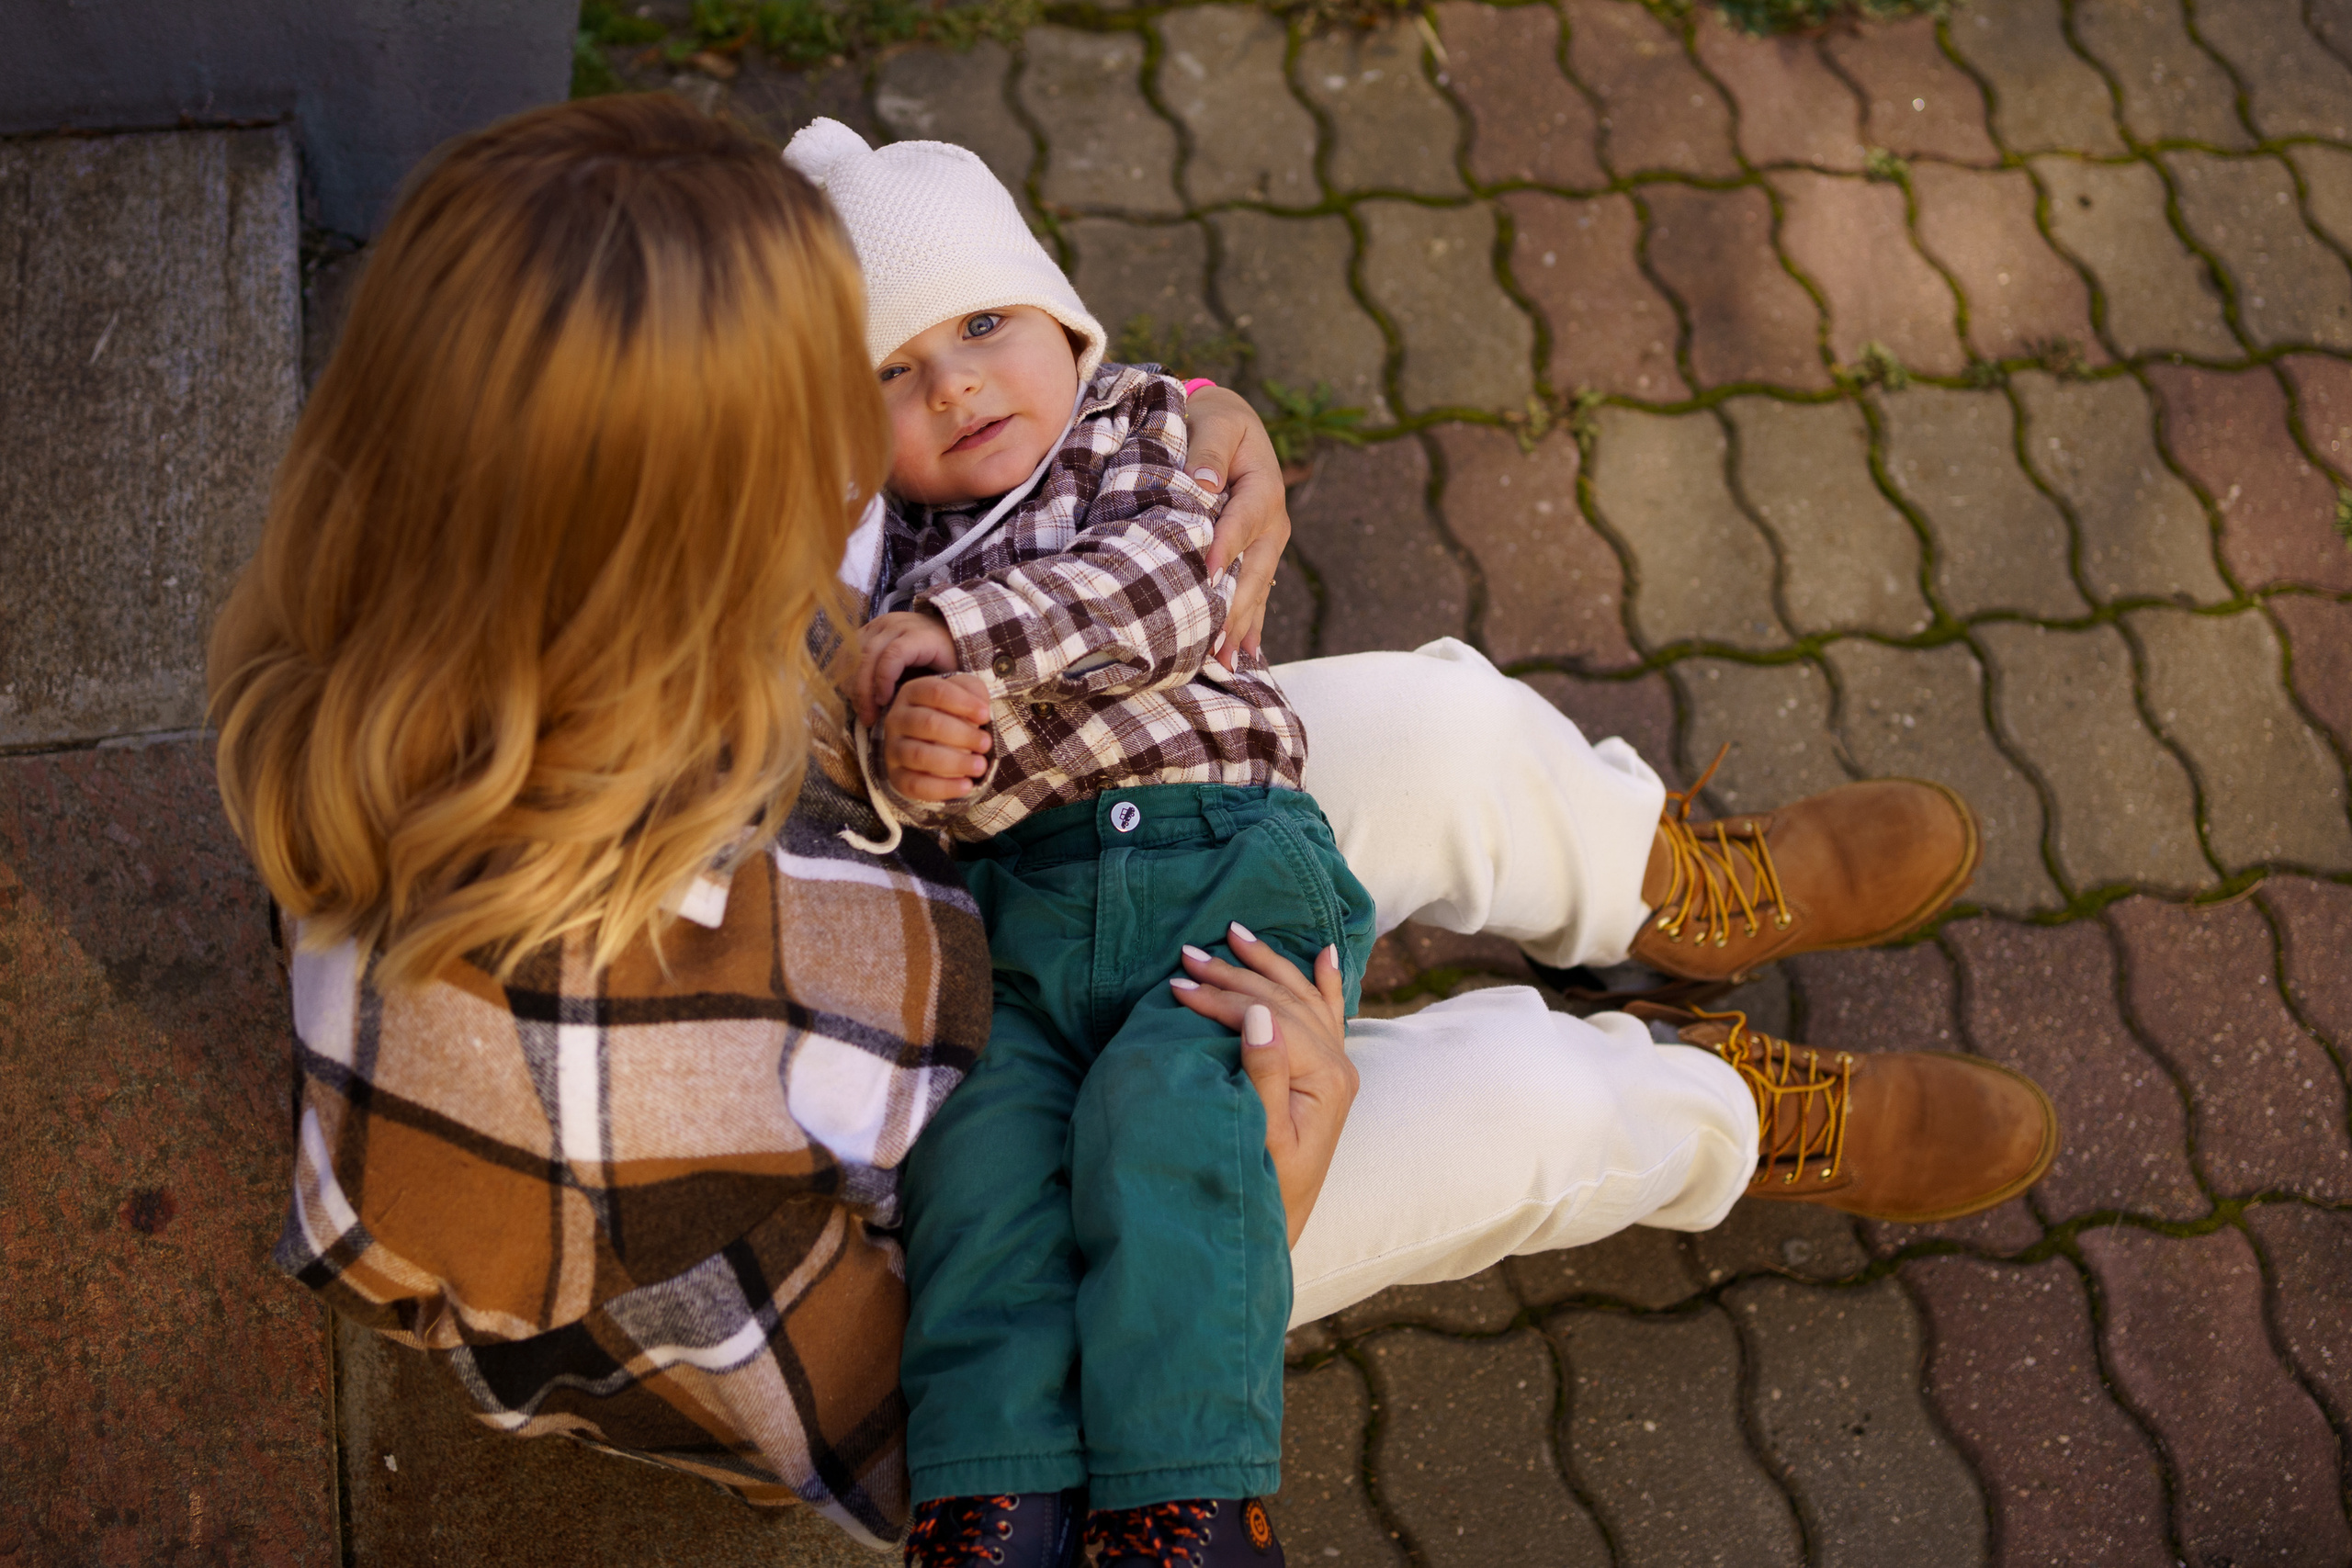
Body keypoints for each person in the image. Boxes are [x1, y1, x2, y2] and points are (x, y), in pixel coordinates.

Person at [208, 96, 2056, 1568]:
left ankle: (1665, 890)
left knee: (1426, 714)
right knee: (1520, 1107)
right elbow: (912, 1447)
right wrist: (1271, 1192)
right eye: (820, 441)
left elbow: (953, 464)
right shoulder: (507, 1105)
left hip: (1018, 867)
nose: (873, 469)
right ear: (680, 533)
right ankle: (1697, 1101)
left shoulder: (538, 573)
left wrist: (1160, 420)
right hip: (1016, 1229)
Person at [775, 118, 1375, 1563]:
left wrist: (952, 638)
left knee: (1167, 1122)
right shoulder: (895, 565)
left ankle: (1182, 1502)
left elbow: (1167, 590)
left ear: (1065, 317)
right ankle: (995, 1492)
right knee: (975, 1165)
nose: (958, 381)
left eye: (985, 323)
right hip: (1022, 928)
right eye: (894, 373)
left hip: (1214, 870)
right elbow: (899, 794)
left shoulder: (1132, 434)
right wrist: (904, 752)